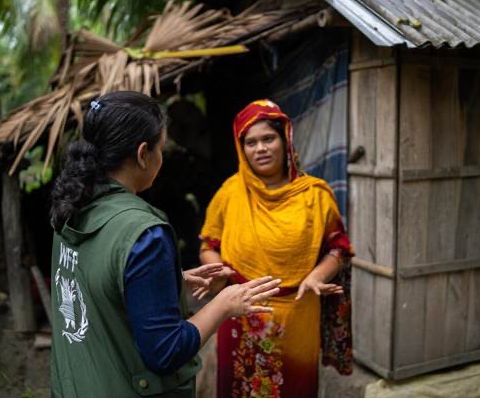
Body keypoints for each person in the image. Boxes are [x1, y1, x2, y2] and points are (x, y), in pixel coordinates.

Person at [49, 91, 281, 398]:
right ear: (143, 153)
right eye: (161, 148)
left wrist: (170, 280)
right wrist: (223, 304)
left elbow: (92, 285)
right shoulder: (145, 234)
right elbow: (165, 351)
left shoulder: (71, 208)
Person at [199, 99, 355, 398]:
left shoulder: (315, 195)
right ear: (241, 148)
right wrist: (220, 270)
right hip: (239, 313)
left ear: (285, 140)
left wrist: (317, 276)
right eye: (251, 142)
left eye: (268, 139)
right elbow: (209, 244)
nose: (260, 149)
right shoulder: (231, 192)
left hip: (297, 314)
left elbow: (339, 248)